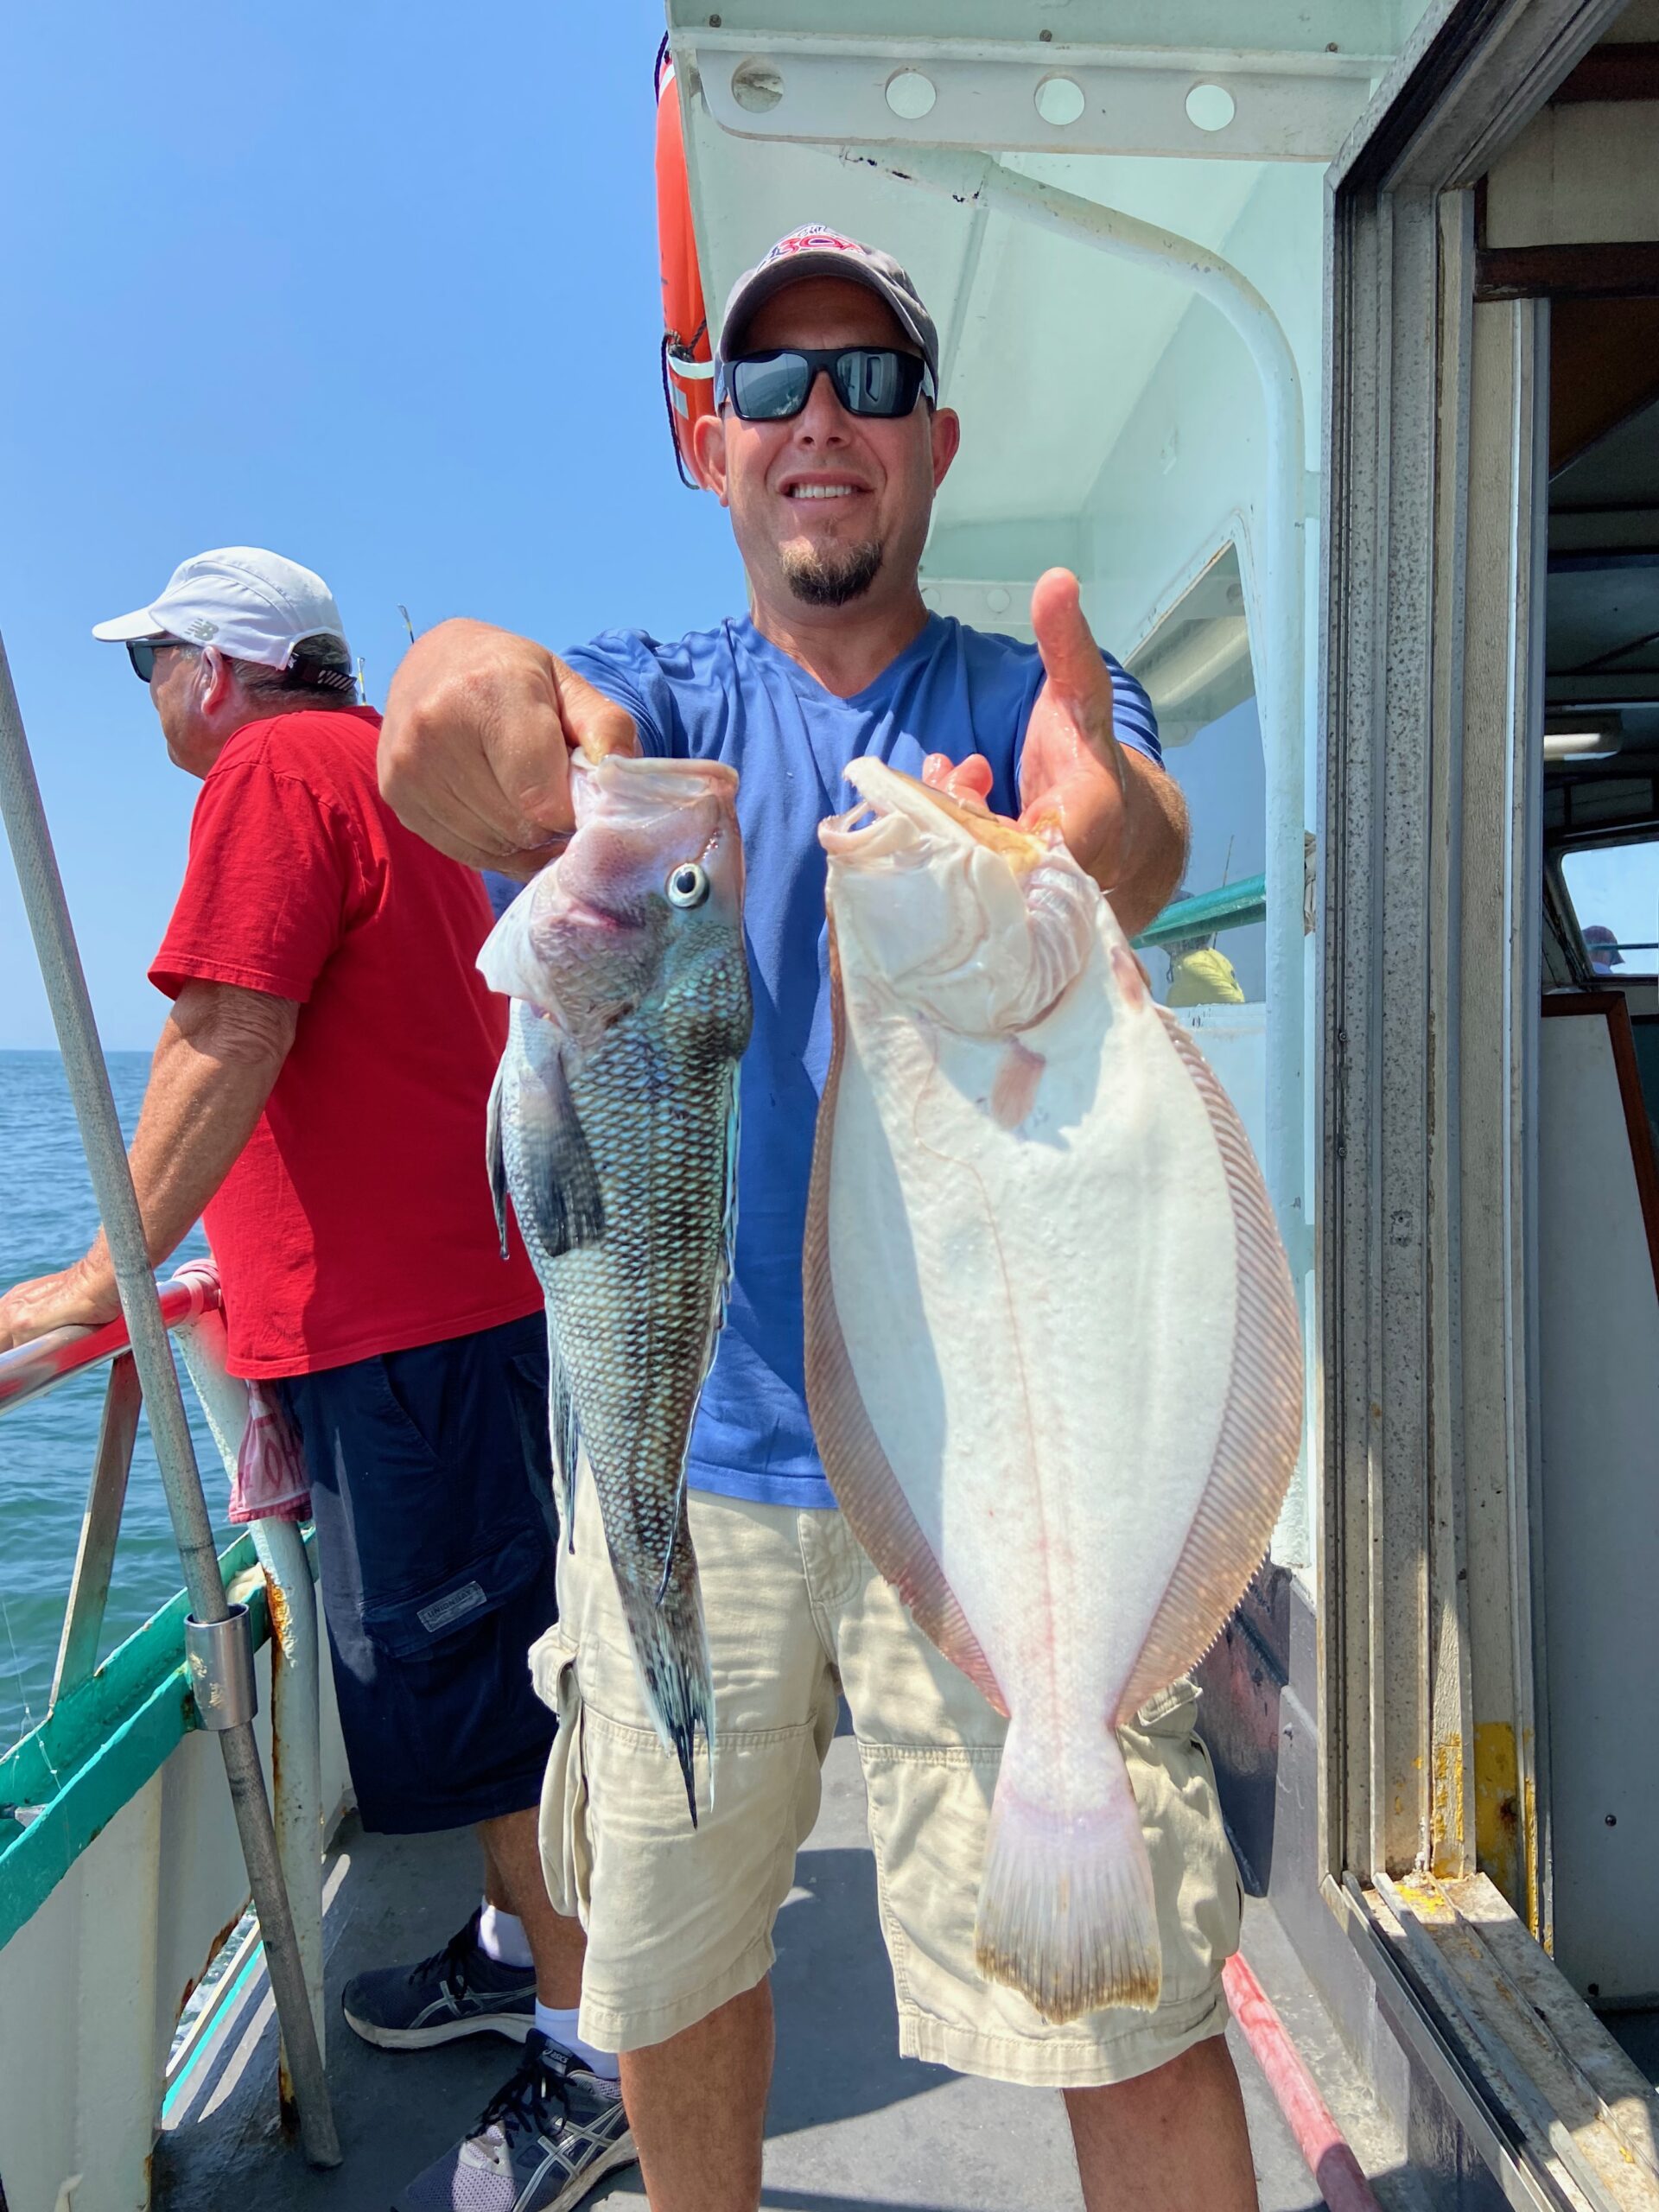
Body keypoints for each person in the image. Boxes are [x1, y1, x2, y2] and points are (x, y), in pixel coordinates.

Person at [379, 230, 1257, 2212]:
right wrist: (450, 706)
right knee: (676, 1971)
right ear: (717, 447)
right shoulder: (659, 716)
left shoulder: (1024, 698)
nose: (819, 421)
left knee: (1120, 1989)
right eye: (771, 387)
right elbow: (475, 699)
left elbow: (1127, 811)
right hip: (689, 1462)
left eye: (865, 378)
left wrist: (1094, 839)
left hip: (997, 1462)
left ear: (935, 441)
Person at [0, 548, 634, 2211]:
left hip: (402, 1334)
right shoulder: (400, 783)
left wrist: (93, 1279)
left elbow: (229, 1030)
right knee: (500, 1665)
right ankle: (514, 1952)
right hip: (476, 1311)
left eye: (150, 658)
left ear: (222, 670)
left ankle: (590, 2064)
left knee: (488, 1707)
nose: (143, 690)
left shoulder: (279, 768)